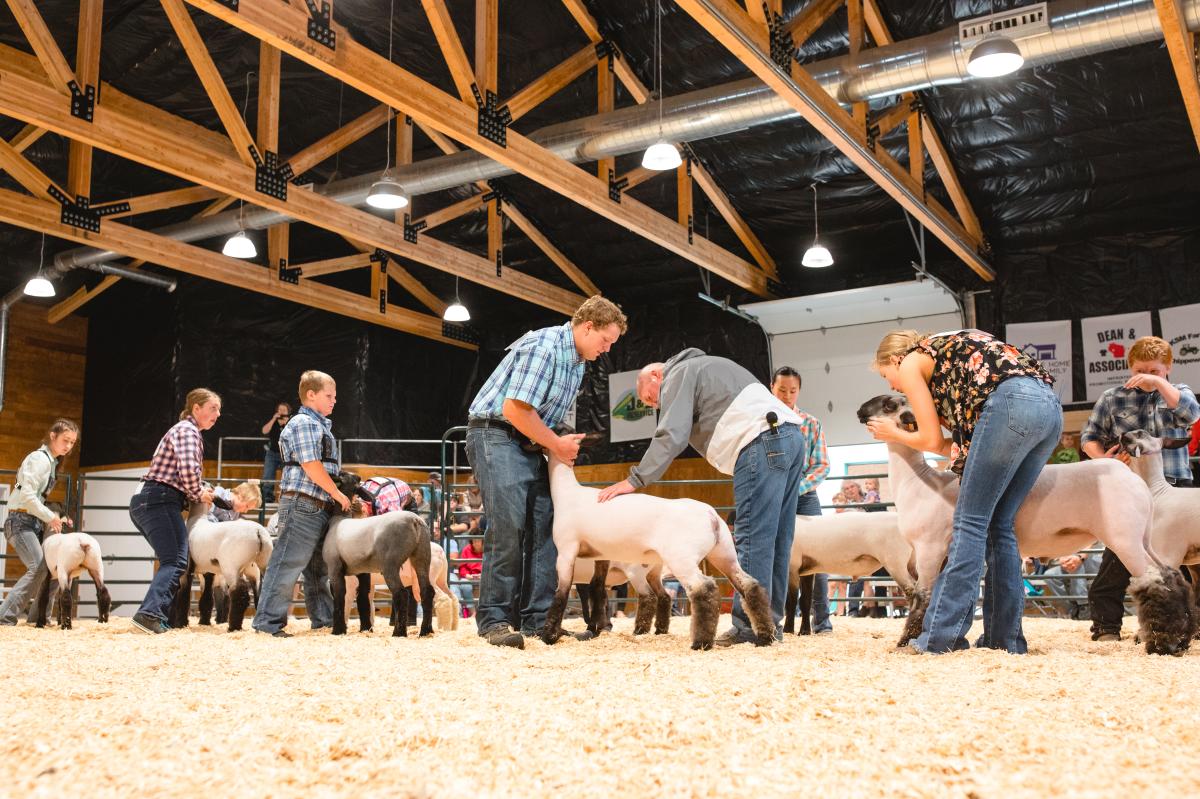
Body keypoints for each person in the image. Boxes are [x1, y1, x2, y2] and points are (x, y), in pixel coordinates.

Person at [868, 328, 1059, 654]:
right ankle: (1005, 640)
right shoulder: (949, 358)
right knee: (999, 526)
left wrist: (893, 434)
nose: (893, 386)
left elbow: (929, 441)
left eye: (888, 376)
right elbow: (954, 445)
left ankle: (941, 638)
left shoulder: (913, 361)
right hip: (1049, 411)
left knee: (969, 524)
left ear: (895, 360)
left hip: (1009, 404)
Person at [598, 349, 806, 647]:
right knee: (777, 538)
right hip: (790, 438)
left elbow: (672, 434)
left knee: (752, 538)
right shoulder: (709, 365)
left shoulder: (679, 374)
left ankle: (748, 626)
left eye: (650, 398)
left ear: (656, 376)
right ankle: (770, 626)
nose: (655, 405)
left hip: (760, 441)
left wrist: (635, 480)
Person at [466, 295, 627, 648]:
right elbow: (515, 409)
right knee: (508, 525)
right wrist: (556, 444)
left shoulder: (578, 362)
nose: (606, 348)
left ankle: (538, 620)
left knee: (546, 525)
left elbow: (540, 417)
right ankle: (494, 620)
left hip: (528, 443)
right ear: (588, 327)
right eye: (605, 340)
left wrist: (557, 441)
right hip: (496, 434)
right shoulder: (546, 346)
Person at [1079, 335, 1199, 641]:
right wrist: (1103, 458)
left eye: (1154, 371)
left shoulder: (1178, 394)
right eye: (1139, 370)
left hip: (1176, 489)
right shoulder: (1112, 398)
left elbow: (1191, 414)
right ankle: (1106, 628)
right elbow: (1089, 437)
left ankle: (1190, 629)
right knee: (1117, 558)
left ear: (1168, 368)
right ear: (1129, 366)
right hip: (1130, 493)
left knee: (1190, 566)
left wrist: (1158, 384)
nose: (1145, 376)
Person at [252, 371, 352, 638]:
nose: (334, 401)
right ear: (311, 395)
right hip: (303, 502)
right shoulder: (305, 422)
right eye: (329, 396)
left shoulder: (317, 425)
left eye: (335, 396)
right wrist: (338, 494)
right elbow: (311, 465)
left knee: (317, 568)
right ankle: (267, 624)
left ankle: (324, 620)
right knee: (287, 562)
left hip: (316, 504)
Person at [129, 390, 221, 634]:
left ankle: (161, 617)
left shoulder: (186, 431)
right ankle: (149, 614)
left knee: (173, 559)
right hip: (159, 499)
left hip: (152, 499)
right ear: (196, 408)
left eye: (219, 410)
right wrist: (198, 493)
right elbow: (189, 469)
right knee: (176, 560)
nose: (217, 414)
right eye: (213, 408)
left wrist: (198, 490)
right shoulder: (187, 431)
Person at [769, 365, 833, 634]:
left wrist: (796, 488)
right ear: (772, 387)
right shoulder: (763, 422)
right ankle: (776, 619)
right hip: (773, 497)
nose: (786, 395)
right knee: (775, 557)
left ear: (799, 391)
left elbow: (821, 465)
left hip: (804, 497)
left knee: (817, 560)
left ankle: (821, 620)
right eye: (782, 390)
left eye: (792, 391)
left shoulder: (811, 423)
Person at [0, 419, 79, 626]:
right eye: (65, 440)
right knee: (38, 567)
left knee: (52, 567)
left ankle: (38, 617)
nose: (68, 446)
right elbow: (27, 495)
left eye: (72, 442)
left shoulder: (51, 463)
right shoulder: (39, 459)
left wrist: (56, 515)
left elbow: (38, 497)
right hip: (20, 521)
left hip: (32, 521)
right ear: (53, 436)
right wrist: (49, 516)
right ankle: (3, 615)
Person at [1040, 551, 1100, 619]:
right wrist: (1062, 558)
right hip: (1069, 559)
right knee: (1050, 575)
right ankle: (1071, 608)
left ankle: (1084, 606)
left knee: (1075, 564)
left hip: (1091, 560)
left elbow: (1088, 546)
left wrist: (1078, 557)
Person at [260, 402, 291, 503]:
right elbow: (264, 431)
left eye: (284, 410)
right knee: (268, 475)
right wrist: (274, 419)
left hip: (286, 454)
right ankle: (267, 496)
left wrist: (286, 423)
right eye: (280, 410)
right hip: (272, 453)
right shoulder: (273, 422)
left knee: (288, 476)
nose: (281, 412)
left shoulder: (291, 423)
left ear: (288, 412)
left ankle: (286, 496)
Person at [454, 535, 485, 618]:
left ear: (483, 541)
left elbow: (491, 565)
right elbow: (462, 566)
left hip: (484, 575)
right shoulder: (467, 549)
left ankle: (484, 612)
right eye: (474, 541)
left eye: (478, 541)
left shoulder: (488, 550)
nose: (476, 543)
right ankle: (472, 612)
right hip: (470, 576)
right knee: (464, 584)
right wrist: (467, 575)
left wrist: (484, 574)